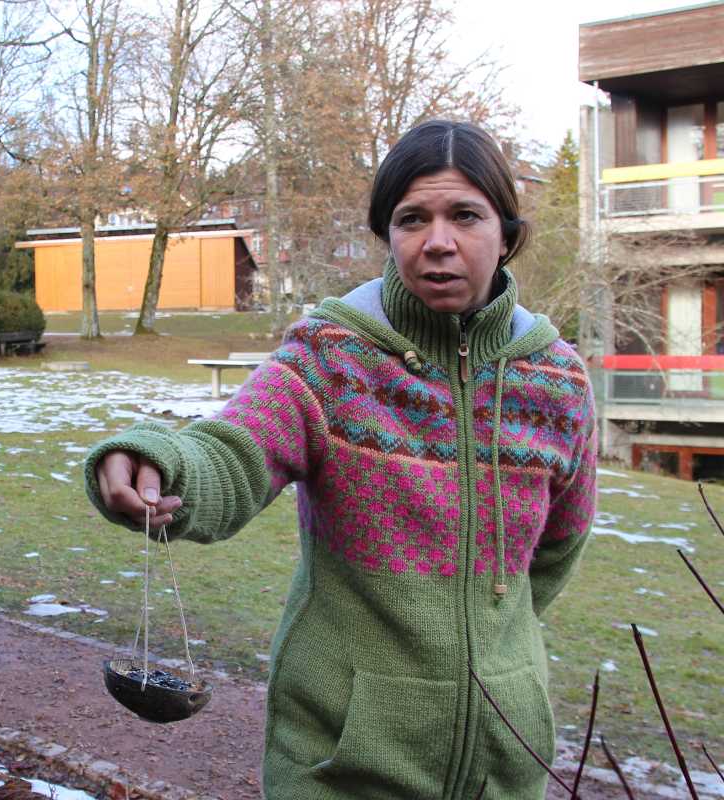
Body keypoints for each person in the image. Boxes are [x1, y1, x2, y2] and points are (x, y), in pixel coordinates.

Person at [84, 119, 597, 799]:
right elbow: (234, 452)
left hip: (503, 768)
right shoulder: (331, 358)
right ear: (388, 234)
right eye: (412, 218)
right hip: (340, 765)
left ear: (506, 234)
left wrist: (500, 658)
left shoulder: (558, 382)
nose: (438, 240)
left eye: (465, 216)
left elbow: (555, 552)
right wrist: (159, 461)